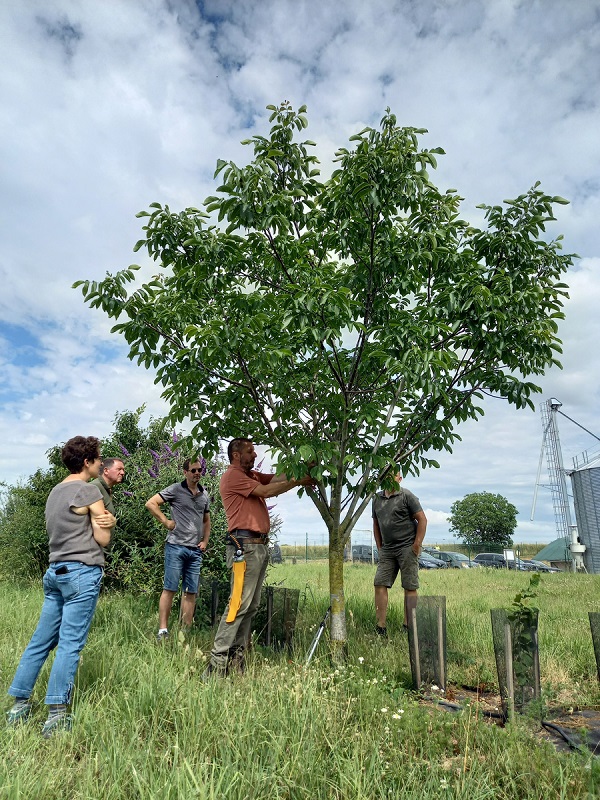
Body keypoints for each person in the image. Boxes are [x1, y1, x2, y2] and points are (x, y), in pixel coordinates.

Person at [6, 436, 116, 737]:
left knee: (40, 642)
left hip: (54, 572)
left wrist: (101, 519)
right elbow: (103, 540)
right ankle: (56, 716)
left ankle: (19, 706)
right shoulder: (87, 491)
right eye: (98, 459)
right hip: (82, 573)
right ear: (87, 462)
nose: (100, 463)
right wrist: (108, 521)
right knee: (70, 644)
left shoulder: (55, 492)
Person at [205, 438, 315, 677]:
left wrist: (304, 464)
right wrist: (300, 480)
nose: (254, 455)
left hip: (258, 547)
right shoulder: (233, 476)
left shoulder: (251, 475)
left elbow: (276, 479)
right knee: (238, 604)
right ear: (236, 455)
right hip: (244, 548)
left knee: (251, 605)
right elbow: (268, 491)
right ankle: (216, 663)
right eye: (250, 451)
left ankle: (236, 659)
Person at [145, 459, 211, 640]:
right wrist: (166, 522)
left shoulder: (204, 494)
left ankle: (185, 632)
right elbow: (151, 503)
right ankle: (163, 631)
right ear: (185, 472)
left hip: (195, 551)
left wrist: (205, 541)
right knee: (170, 588)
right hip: (175, 547)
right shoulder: (175, 489)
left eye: (200, 470)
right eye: (193, 470)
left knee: (191, 592)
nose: (197, 473)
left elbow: (206, 521)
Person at [372, 472, 427, 637]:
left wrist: (416, 544)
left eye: (393, 476)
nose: (389, 478)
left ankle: (408, 626)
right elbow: (376, 524)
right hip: (387, 549)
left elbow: (422, 520)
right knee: (379, 583)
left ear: (399, 479)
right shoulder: (377, 499)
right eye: (386, 475)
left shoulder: (407, 495)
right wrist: (380, 547)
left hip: (406, 547)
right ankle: (380, 627)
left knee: (409, 586)